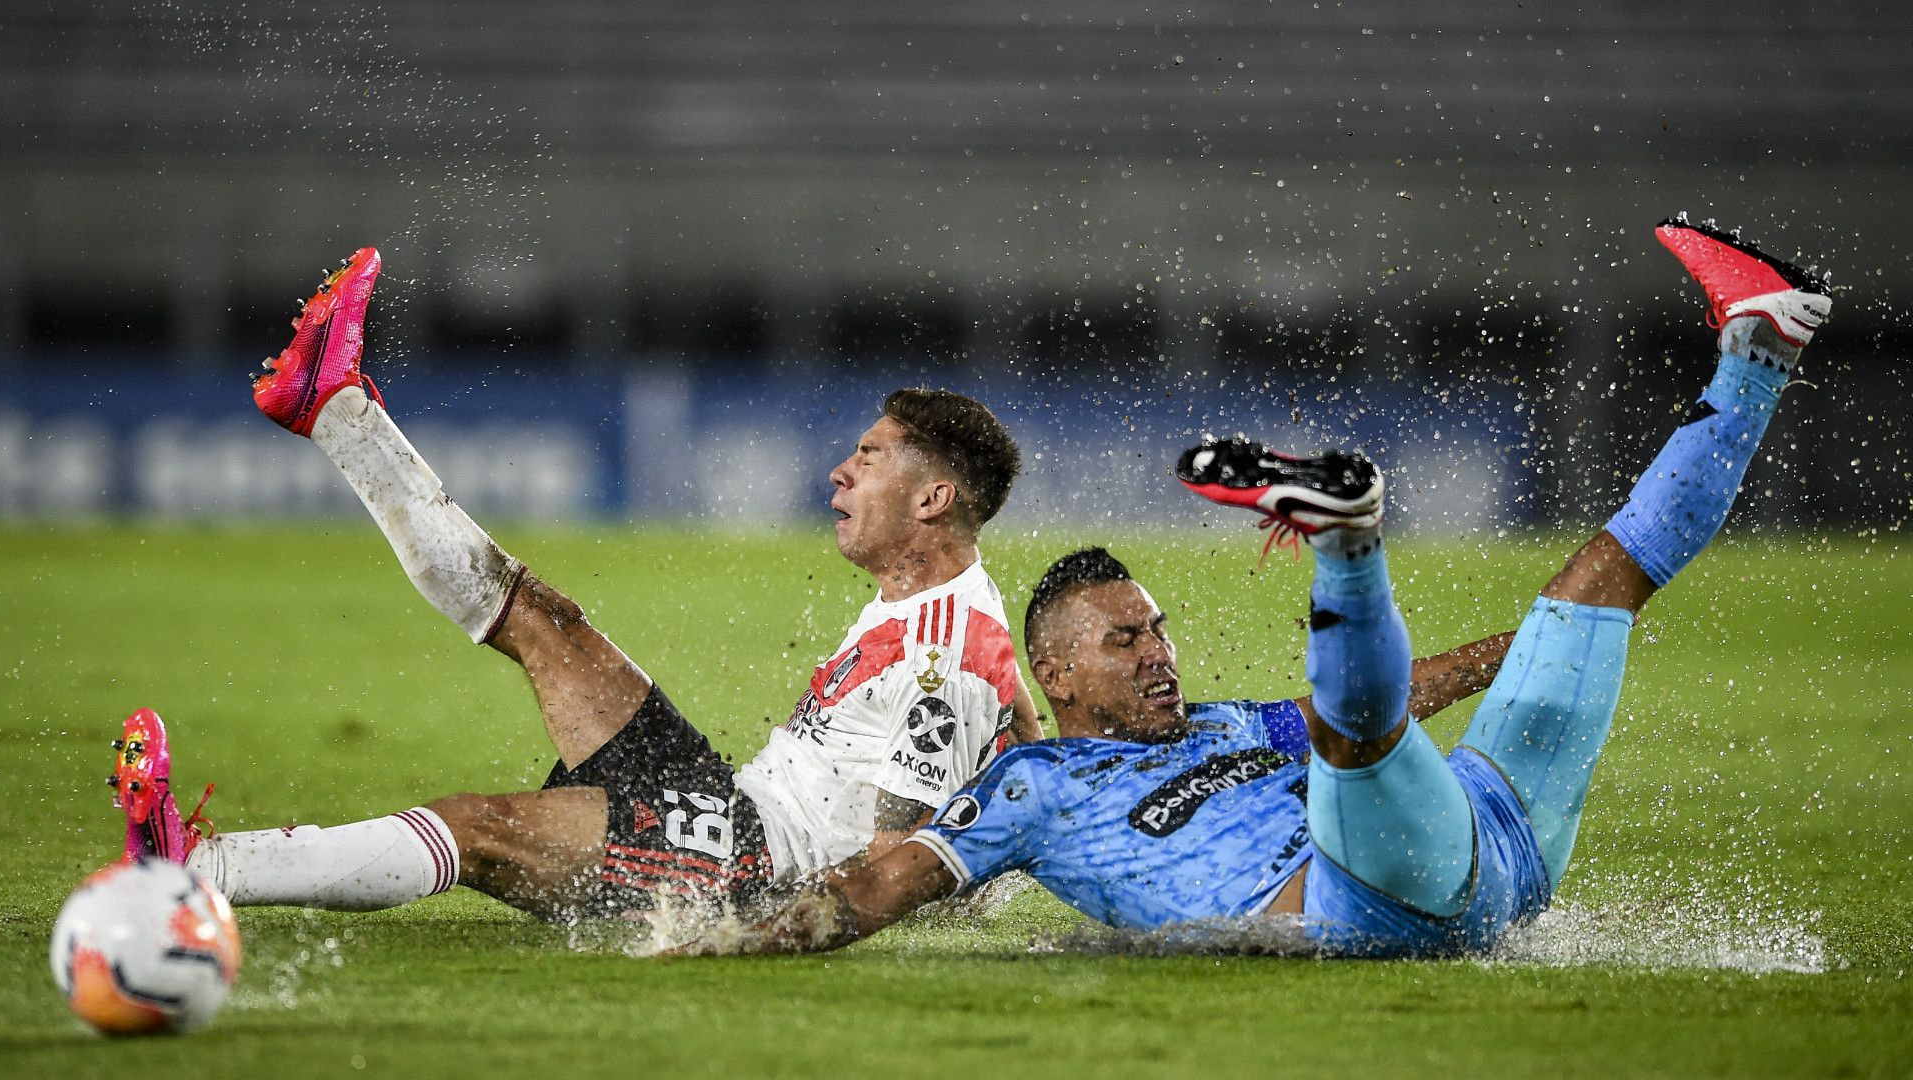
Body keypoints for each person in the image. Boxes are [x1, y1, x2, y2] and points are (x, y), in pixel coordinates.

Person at [680, 218, 1832, 957]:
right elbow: (884, 878)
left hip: (1499, 843)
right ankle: (1345, 546)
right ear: (1059, 671)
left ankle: (1761, 346)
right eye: (1127, 640)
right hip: (1382, 895)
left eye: (1160, 629)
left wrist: (1528, 646)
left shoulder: (1230, 723)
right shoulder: (1031, 784)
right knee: (1352, 746)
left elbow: (1407, 692)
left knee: (1593, 588)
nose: (1158, 652)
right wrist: (722, 941)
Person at [108, 248, 1037, 922]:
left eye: (868, 457)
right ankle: (333, 407)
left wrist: (760, 932)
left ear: (933, 497)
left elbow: (896, 861)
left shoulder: (941, 657)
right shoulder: (944, 614)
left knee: (477, 829)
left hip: (740, 868)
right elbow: (1020, 740)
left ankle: (198, 870)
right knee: (544, 618)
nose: (840, 472)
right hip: (726, 802)